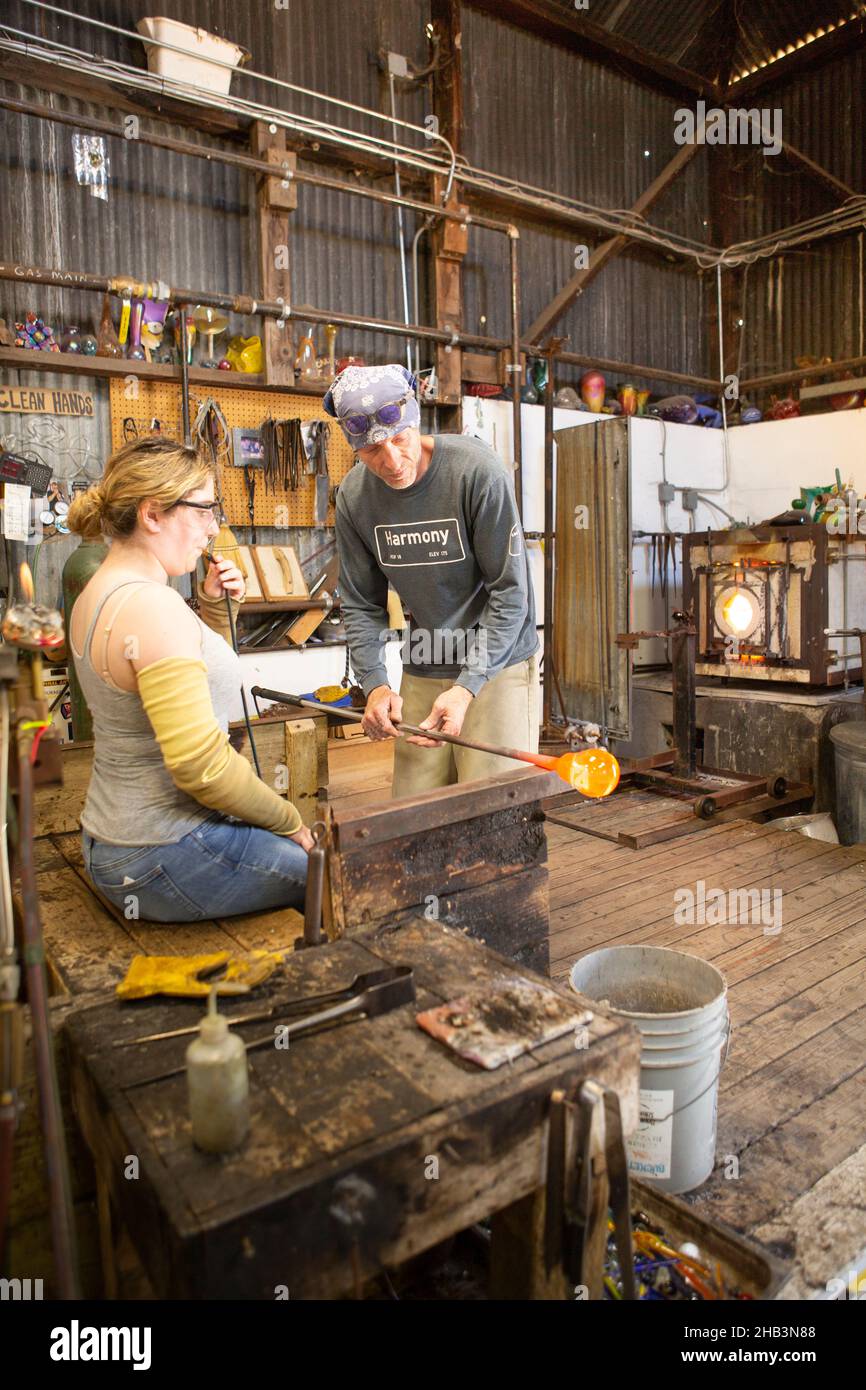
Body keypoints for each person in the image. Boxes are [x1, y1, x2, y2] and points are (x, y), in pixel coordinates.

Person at [66, 436, 311, 924]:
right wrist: (291, 821)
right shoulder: (151, 607)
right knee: (330, 871)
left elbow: (193, 681)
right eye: (203, 510)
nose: (213, 528)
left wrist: (217, 610)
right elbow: (202, 766)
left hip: (119, 840)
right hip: (160, 851)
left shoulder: (103, 590)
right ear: (152, 514)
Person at [326, 363, 539, 796]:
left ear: (414, 421)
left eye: (399, 439)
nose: (391, 461)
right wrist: (376, 684)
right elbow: (361, 603)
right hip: (426, 657)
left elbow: (511, 592)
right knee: (414, 808)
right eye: (370, 452)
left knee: (492, 803)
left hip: (496, 664)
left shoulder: (475, 472)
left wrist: (466, 689)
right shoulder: (353, 497)